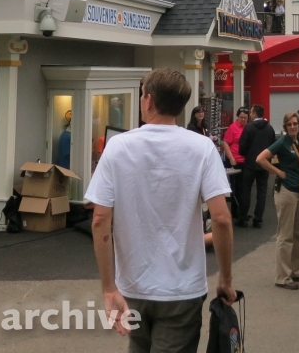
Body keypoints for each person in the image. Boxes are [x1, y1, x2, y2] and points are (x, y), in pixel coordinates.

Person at [86, 68, 235, 351]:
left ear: (149, 100)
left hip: (134, 285)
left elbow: (100, 219)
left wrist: (108, 288)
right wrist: (225, 278)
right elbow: (221, 218)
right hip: (182, 289)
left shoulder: (118, 147)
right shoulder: (202, 148)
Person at [257, 111, 299, 290]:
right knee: (285, 235)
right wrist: (278, 172)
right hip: (286, 190)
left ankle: (296, 270)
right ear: (285, 127)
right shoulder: (282, 142)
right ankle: (282, 277)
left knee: (297, 234)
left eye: (295, 124)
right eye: (289, 124)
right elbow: (260, 158)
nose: (293, 127)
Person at [237, 104, 276, 228]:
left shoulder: (249, 128)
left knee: (246, 191)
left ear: (254, 114)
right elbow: (273, 146)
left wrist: (247, 154)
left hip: (250, 164)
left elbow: (242, 146)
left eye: (251, 112)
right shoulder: (269, 128)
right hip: (264, 164)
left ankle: (243, 217)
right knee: (262, 192)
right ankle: (258, 219)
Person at [222, 107, 249, 222]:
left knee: (243, 188)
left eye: (245, 118)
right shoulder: (233, 128)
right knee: (236, 188)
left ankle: (242, 212)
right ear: (238, 117)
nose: (243, 120)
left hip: (245, 161)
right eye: (241, 117)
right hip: (235, 161)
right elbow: (225, 143)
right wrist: (231, 158)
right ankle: (236, 213)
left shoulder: (248, 128)